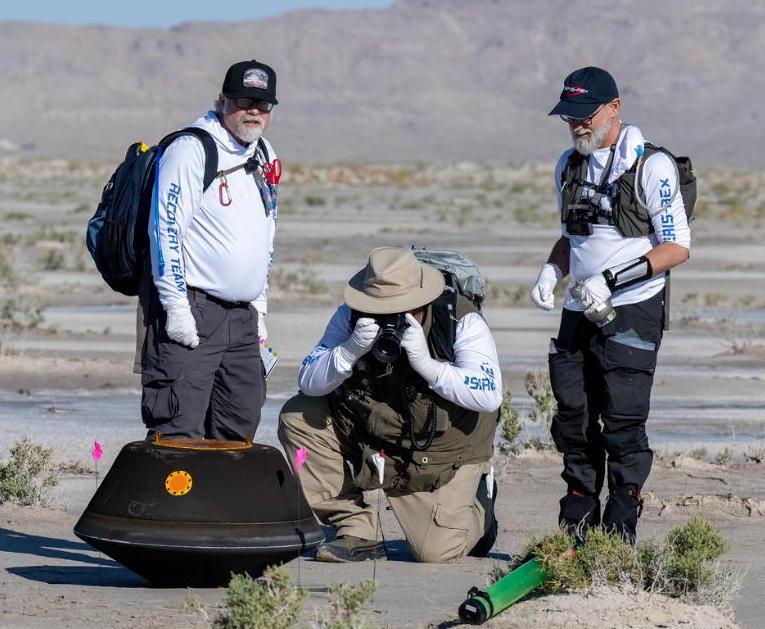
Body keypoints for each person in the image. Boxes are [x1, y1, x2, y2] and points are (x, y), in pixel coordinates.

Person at [531, 67, 690, 543]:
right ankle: (576, 524)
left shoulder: (651, 166)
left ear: (614, 108)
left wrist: (612, 279)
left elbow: (676, 247)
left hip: (633, 310)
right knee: (573, 418)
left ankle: (619, 529)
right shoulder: (569, 164)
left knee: (621, 421)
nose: (577, 125)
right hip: (580, 309)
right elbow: (570, 238)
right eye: (569, 118)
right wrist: (552, 270)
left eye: (585, 116)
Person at [279, 247, 503, 563]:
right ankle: (355, 529)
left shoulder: (460, 320)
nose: (389, 318)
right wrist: (348, 350)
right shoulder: (351, 315)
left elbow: (489, 394)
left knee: (435, 553)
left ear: (424, 299)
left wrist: (429, 366)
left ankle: (480, 505)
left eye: (403, 309)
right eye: (378, 308)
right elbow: (309, 381)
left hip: (441, 452)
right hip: (372, 432)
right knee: (299, 414)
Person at [141, 59, 279, 441]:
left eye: (263, 104)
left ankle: (222, 504)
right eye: (242, 101)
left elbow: (266, 234)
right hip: (194, 308)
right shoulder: (192, 149)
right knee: (178, 429)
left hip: (244, 319)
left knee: (239, 427)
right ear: (222, 100)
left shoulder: (263, 152)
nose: (253, 111)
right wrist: (176, 309)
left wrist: (260, 309)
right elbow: (164, 230)